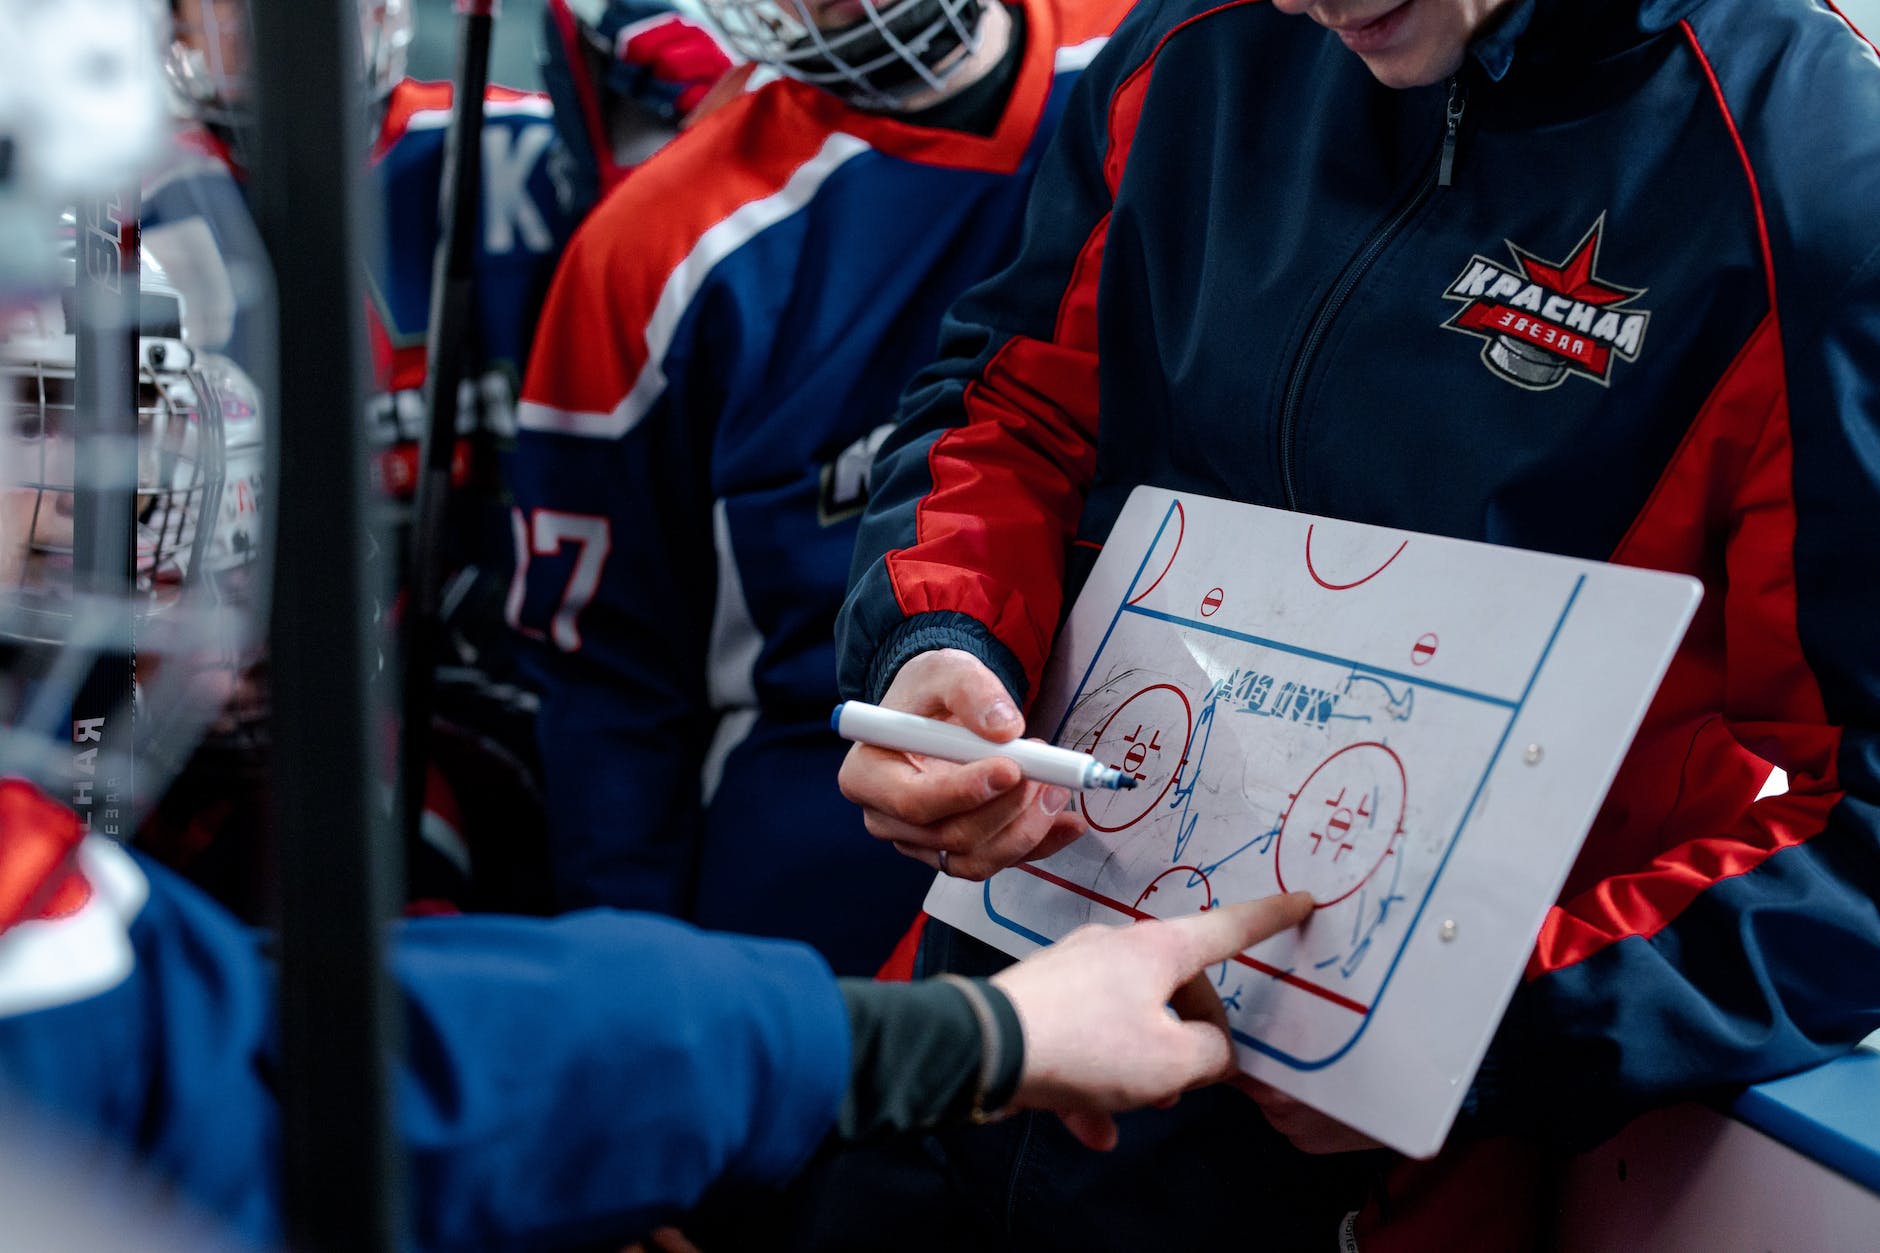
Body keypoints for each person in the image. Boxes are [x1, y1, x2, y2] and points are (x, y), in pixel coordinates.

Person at [0, 28, 1322, 1245]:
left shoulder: (1162, 63)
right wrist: (962, 1035)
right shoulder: (658, 244)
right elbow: (316, 1070)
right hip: (840, 912)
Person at [833, 0, 1880, 1245]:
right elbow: (1013, 403)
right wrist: (942, 641)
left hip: (1359, 1162)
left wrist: (1470, 1023)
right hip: (993, 1026)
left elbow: (1857, 818)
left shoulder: (1808, 158)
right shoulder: (1190, 48)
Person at [505, 0, 1136, 975]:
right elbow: (608, 696)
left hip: (1168, 772)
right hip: (830, 845)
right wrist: (651, 993)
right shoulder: (647, 255)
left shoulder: (1169, 64)